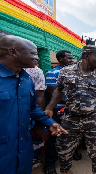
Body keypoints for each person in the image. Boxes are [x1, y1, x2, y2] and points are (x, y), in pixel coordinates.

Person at [45, 45, 96, 174]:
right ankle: (66, 171)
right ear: (87, 56)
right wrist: (49, 108)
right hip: (70, 119)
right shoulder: (66, 72)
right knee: (64, 151)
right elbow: (58, 91)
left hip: (94, 120)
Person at [0, 35, 67, 174]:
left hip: (23, 150)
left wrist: (49, 123)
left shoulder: (26, 79)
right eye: (32, 53)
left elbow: (32, 108)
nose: (37, 58)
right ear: (13, 52)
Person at [44, 50, 75, 174]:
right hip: (59, 109)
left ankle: (68, 158)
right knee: (55, 136)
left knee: (70, 134)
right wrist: (73, 103)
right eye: (69, 58)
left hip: (72, 109)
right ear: (61, 59)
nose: (72, 60)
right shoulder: (53, 72)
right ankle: (50, 164)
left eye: (72, 58)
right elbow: (53, 93)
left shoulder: (74, 73)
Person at [25, 63, 47, 168]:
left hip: (29, 114)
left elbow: (39, 96)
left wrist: (40, 121)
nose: (37, 58)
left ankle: (33, 159)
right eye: (32, 54)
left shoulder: (35, 71)